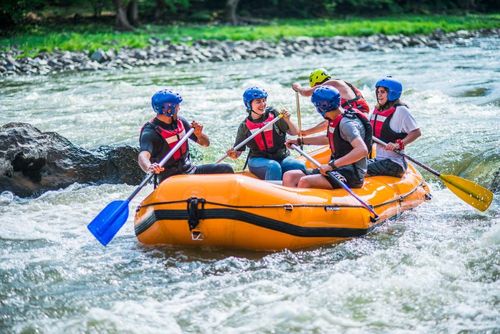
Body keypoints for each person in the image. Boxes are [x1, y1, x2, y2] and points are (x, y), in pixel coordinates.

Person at [282, 86, 372, 189]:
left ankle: (304, 204)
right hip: (338, 169)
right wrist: (299, 141)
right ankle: (289, 205)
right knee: (289, 176)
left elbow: (362, 150)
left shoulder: (346, 124)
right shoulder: (334, 118)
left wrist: (332, 166)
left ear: (320, 107)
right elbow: (328, 138)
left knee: (305, 181)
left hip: (351, 173)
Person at [138, 89, 233, 184]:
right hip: (170, 180)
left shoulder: (180, 122)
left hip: (190, 171)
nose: (179, 108)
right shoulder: (150, 132)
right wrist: (149, 167)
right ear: (168, 109)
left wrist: (199, 135)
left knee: (226, 169)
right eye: (177, 106)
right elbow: (143, 156)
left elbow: (205, 143)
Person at [226, 86, 305, 181]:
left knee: (298, 165)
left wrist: (288, 120)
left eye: (264, 100)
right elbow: (237, 153)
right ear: (249, 104)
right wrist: (233, 154)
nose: (263, 104)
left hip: (281, 157)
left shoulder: (274, 115)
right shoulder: (245, 126)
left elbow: (295, 132)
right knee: (273, 167)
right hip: (258, 160)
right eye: (258, 101)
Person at [367, 76, 421, 178]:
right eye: (378, 92)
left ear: (392, 93)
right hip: (379, 160)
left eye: (382, 92)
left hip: (395, 163)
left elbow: (416, 132)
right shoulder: (376, 112)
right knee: (354, 167)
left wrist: (398, 144)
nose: (379, 95)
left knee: (358, 173)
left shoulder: (401, 111)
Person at [291, 68, 370, 136]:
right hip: (361, 122)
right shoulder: (338, 90)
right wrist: (305, 132)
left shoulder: (333, 83)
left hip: (358, 123)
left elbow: (306, 92)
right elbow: (328, 122)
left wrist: (297, 87)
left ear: (316, 84)